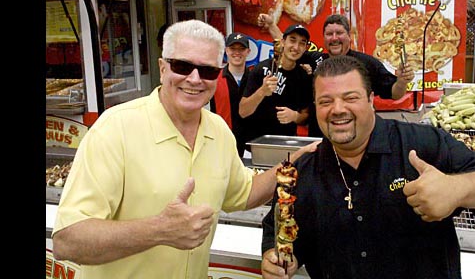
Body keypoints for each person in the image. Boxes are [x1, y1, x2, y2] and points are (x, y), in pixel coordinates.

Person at [51, 20, 296, 279]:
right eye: (182, 66)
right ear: (162, 68)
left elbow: (244, 193)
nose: (194, 78)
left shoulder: (219, 131)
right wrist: (159, 230)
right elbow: (67, 241)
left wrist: (300, 160)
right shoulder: (114, 129)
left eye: (208, 70)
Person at [260, 55, 475, 279]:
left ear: (371, 99)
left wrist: (457, 189)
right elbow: (279, 230)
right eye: (326, 101)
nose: (338, 110)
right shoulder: (301, 173)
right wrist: (277, 260)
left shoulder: (421, 145)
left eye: (350, 97)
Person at [258, 13, 415, 137]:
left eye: (339, 33)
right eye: (329, 34)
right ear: (324, 38)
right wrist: (272, 25)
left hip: (357, 139)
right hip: (320, 138)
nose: (334, 38)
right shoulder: (316, 59)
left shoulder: (367, 64)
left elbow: (394, 93)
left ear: (349, 36)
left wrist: (402, 80)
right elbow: (289, 47)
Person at [239, 24, 313, 142]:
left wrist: (295, 116)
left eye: (302, 43)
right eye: (292, 40)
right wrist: (262, 91)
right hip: (255, 145)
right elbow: (243, 112)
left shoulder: (304, 77)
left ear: (305, 48)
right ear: (283, 42)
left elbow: (306, 115)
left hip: (286, 145)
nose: (296, 47)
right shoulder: (260, 69)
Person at [210, 32, 252, 157]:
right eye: (233, 49)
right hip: (222, 142)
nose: (237, 53)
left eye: (241, 49)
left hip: (250, 144)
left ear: (248, 51)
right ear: (226, 51)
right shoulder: (214, 79)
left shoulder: (255, 78)